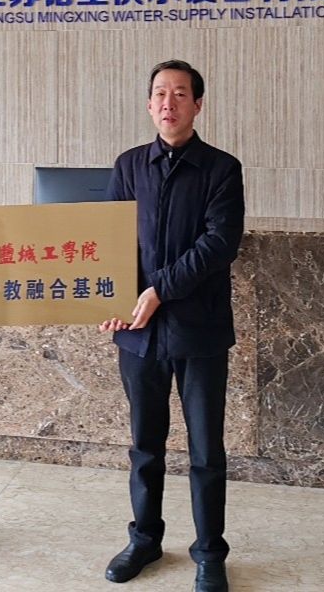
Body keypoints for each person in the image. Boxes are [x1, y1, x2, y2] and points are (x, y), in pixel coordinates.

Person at [100, 60, 245, 592]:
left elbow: (219, 244)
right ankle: (144, 539)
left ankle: (209, 552)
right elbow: (112, 240)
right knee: (145, 443)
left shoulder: (222, 169)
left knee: (205, 449)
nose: (169, 102)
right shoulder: (128, 165)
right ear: (148, 104)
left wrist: (159, 289)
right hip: (138, 333)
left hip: (198, 330)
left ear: (197, 105)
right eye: (160, 93)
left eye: (180, 93)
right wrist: (114, 297)